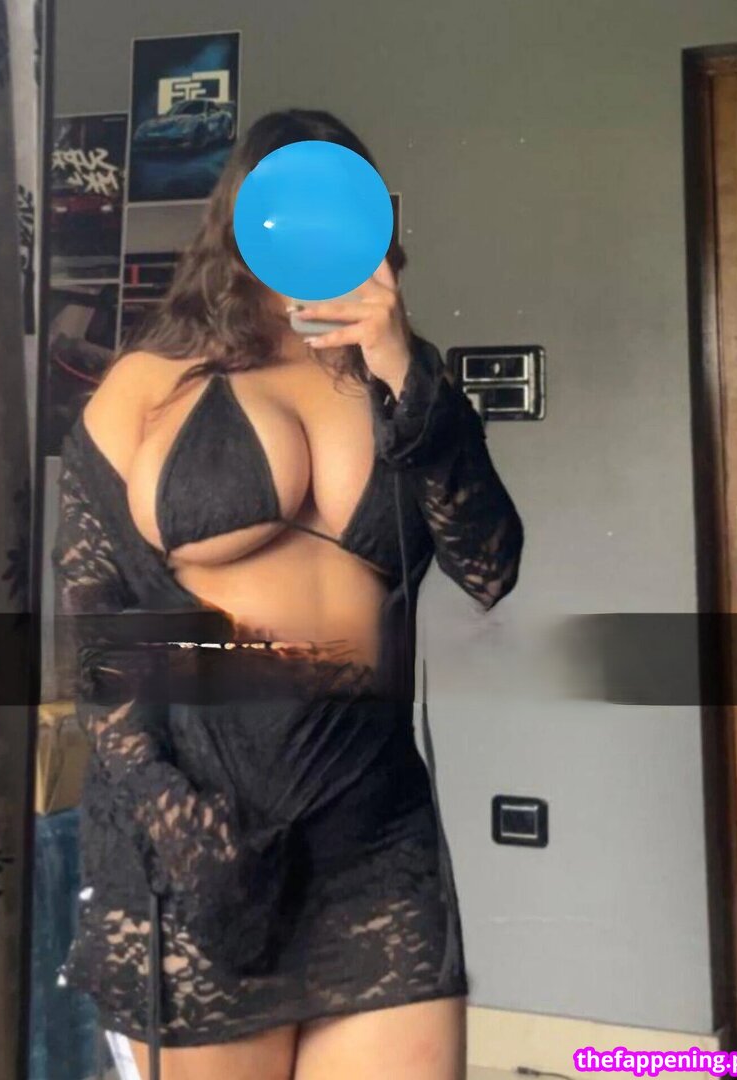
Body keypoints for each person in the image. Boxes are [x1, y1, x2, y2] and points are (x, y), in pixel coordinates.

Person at [51, 107, 525, 1080]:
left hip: (371, 832)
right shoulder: (149, 382)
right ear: (239, 218)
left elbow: (488, 566)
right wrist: (172, 817)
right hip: (202, 829)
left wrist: (403, 371)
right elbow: (96, 618)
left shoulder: (403, 374)